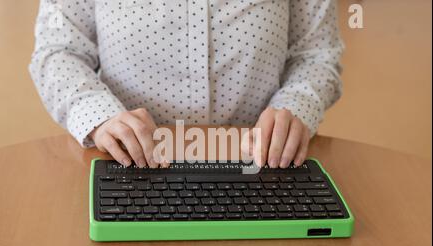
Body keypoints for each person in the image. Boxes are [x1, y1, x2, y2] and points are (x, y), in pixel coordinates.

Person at [30, 0, 344, 168]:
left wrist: (293, 109)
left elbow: (314, 54)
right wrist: (99, 117)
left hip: (260, 163)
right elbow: (59, 51)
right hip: (129, 163)